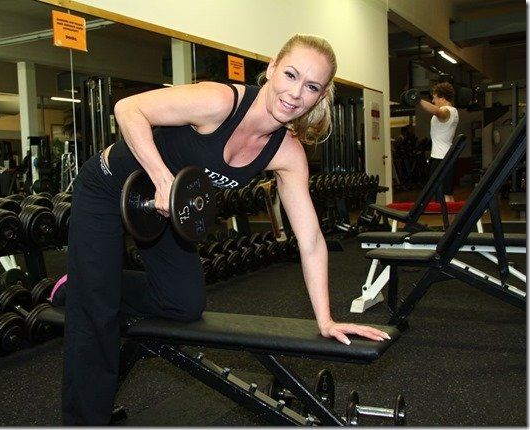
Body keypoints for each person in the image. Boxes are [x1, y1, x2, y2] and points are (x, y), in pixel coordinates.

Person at [63, 34, 391, 426]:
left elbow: (311, 240)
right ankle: (86, 418)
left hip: (164, 210)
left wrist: (326, 319)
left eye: (311, 86)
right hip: (109, 187)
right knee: (95, 313)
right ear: (272, 68)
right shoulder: (220, 101)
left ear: (319, 96)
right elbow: (128, 109)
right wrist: (163, 179)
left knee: (183, 305)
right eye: (290, 75)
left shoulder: (287, 152)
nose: (295, 93)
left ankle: (82, 282)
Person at [417, 82, 459, 202]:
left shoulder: (447, 111)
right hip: (443, 156)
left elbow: (437, 112)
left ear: (442, 97)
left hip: (442, 158)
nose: (433, 101)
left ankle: (448, 215)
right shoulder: (453, 111)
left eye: (434, 98)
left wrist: (417, 100)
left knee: (444, 195)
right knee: (446, 194)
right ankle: (451, 215)